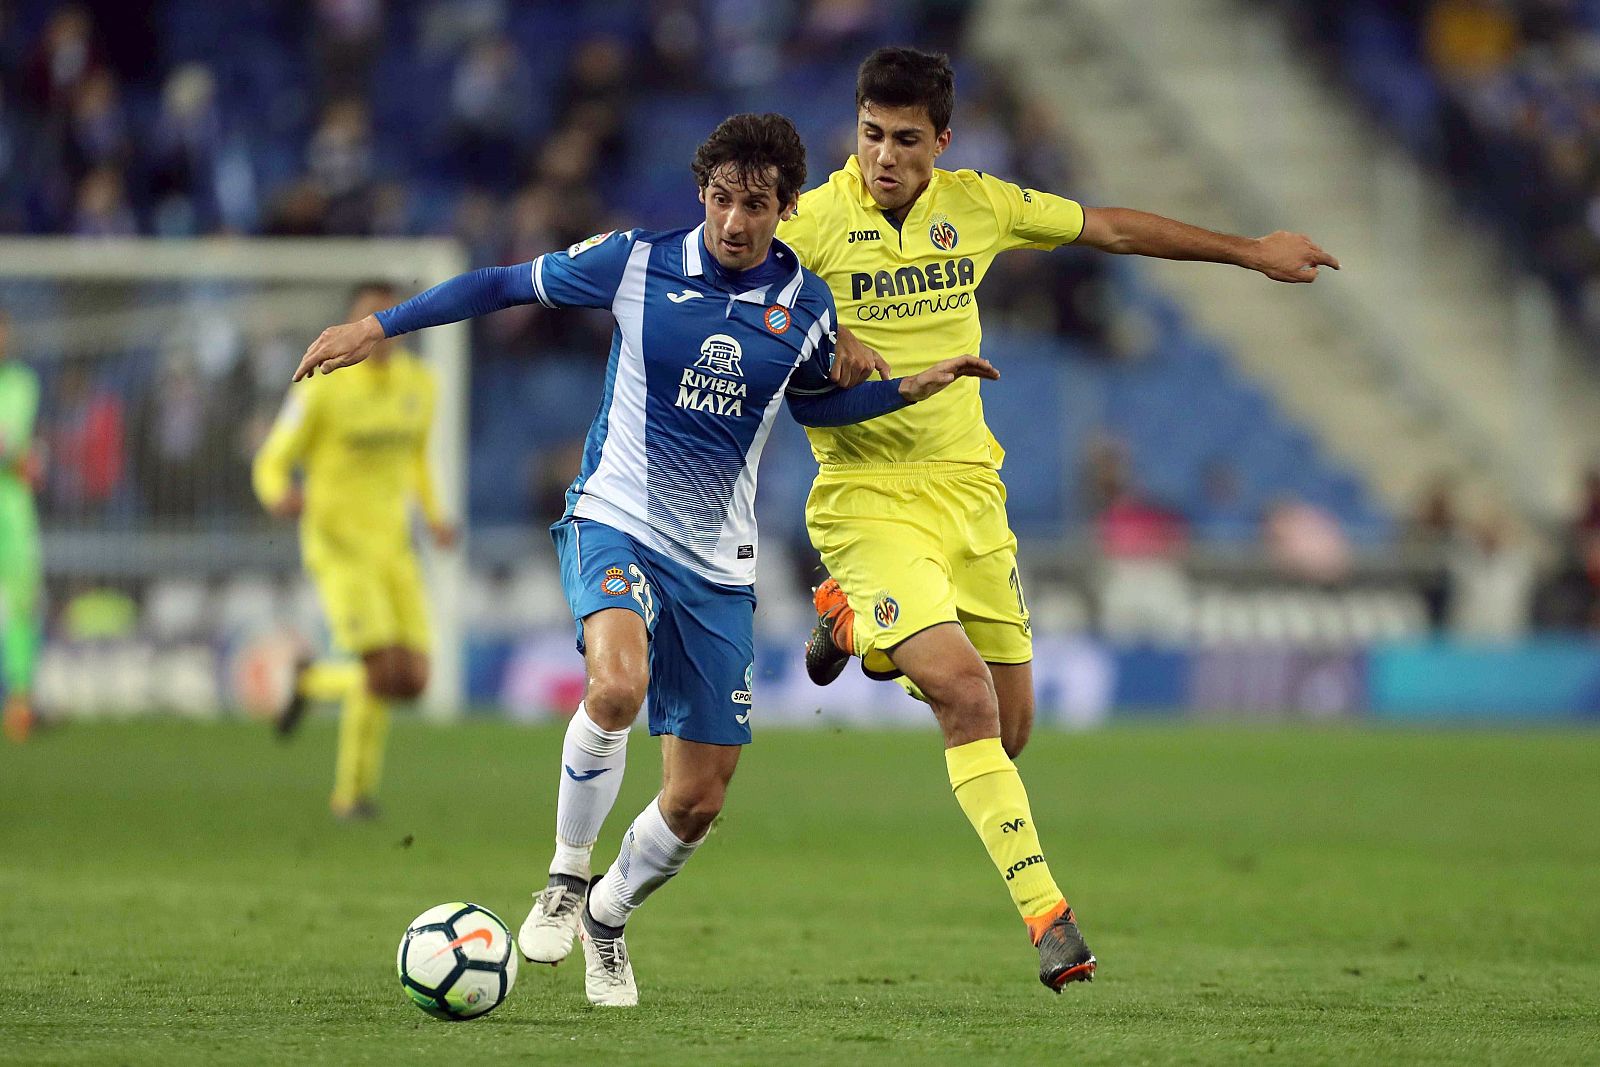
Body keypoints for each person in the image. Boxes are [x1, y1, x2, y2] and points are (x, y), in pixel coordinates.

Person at [290, 113, 996, 1008]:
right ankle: (565, 875)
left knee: (699, 798)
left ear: (784, 207)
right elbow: (503, 283)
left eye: (757, 204)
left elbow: (822, 410)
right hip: (614, 516)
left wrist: (909, 387)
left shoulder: (807, 305)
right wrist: (379, 326)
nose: (736, 221)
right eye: (722, 199)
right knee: (615, 686)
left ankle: (609, 916)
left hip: (717, 561)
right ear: (702, 193)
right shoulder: (635, 261)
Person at [778, 46, 1340, 991]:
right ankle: (1051, 918)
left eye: (905, 140)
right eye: (870, 134)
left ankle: (852, 625)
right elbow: (732, 288)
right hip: (867, 497)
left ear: (942, 142)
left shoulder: (981, 204)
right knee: (961, 694)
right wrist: (816, 335)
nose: (882, 156)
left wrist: (1248, 251)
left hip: (970, 495)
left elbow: (1110, 229)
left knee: (1010, 727)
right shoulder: (813, 222)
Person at [252, 281, 456, 820]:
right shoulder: (322, 386)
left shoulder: (420, 384)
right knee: (380, 665)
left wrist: (435, 519)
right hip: (339, 545)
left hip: (393, 547)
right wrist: (279, 494)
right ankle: (352, 795)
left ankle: (309, 681)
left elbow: (416, 459)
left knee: (412, 680)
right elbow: (272, 459)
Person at [0, 311, 42, 742]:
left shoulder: (20, 383)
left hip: (11, 507)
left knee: (22, 604)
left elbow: (9, 443)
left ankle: (20, 699)